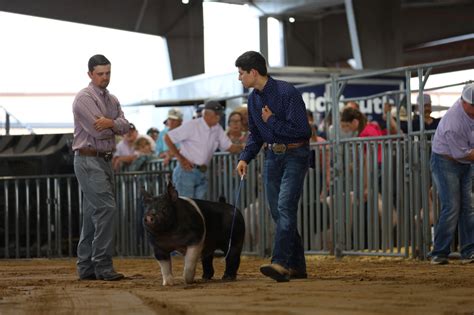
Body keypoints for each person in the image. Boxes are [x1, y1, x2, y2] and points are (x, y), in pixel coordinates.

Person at [235, 51, 311, 282]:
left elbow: (303, 131)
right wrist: (245, 157)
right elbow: (255, 134)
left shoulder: (287, 92)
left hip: (295, 154)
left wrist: (272, 121)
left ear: (253, 72)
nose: (239, 78)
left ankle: (280, 262)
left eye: (241, 73)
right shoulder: (253, 99)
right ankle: (297, 266)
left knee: (285, 208)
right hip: (272, 157)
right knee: (278, 212)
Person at [72, 54, 129, 281]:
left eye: (108, 73)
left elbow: (125, 127)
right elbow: (98, 130)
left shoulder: (112, 99)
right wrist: (114, 125)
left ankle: (86, 267)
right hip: (89, 159)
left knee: (92, 215)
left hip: (102, 159)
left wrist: (112, 124)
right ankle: (103, 265)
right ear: (90, 74)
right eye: (100, 74)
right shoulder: (83, 99)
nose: (105, 77)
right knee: (106, 209)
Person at [428, 83, 474, 265]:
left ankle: (469, 251)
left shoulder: (468, 112)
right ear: (464, 102)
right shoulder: (453, 123)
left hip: (465, 162)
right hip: (446, 161)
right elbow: (462, 154)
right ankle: (439, 252)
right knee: (452, 207)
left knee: (468, 207)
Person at [164, 100, 242, 199]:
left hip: (203, 172)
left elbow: (229, 147)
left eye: (219, 115)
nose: (219, 117)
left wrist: (245, 147)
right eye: (216, 114)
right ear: (206, 114)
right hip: (186, 172)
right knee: (185, 206)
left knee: (200, 207)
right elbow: (168, 138)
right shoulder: (193, 125)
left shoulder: (217, 128)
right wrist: (181, 158)